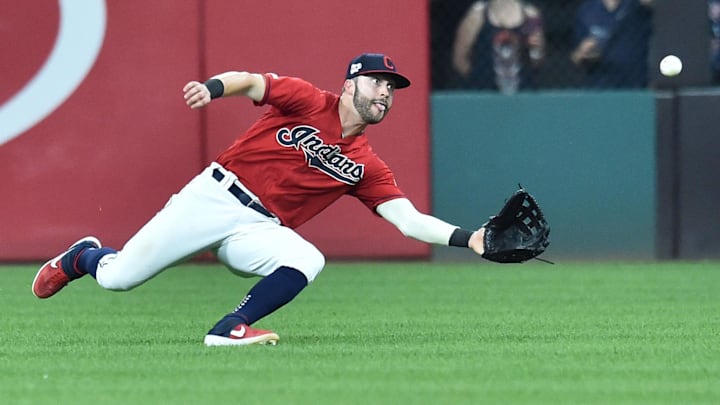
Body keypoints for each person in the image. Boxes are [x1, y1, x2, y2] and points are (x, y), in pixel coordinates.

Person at [31, 53, 488, 346]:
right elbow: (251, 81)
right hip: (214, 197)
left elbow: (407, 221)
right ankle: (84, 256)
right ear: (349, 85)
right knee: (118, 279)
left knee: (307, 258)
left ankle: (229, 327)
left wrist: (469, 239)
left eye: (391, 88)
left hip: (260, 228)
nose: (385, 93)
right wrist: (212, 88)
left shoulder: (366, 164)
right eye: (376, 82)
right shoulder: (310, 101)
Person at [452, 0, 545, 94]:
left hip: (521, 94)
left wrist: (535, 51)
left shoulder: (530, 15)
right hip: (485, 95)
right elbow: (459, 59)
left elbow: (536, 60)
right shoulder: (477, 14)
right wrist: (479, 81)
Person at [570, 0, 653, 88]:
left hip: (636, 84)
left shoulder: (636, 4)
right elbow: (576, 57)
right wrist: (584, 52)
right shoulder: (587, 10)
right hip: (601, 86)